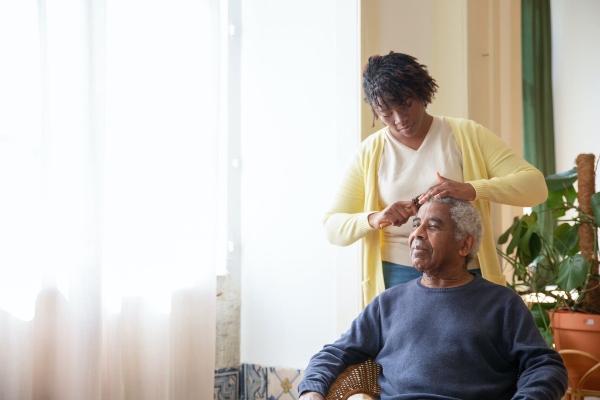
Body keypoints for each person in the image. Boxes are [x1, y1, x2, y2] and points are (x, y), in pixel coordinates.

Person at [324, 51, 548, 305]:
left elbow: (535, 186)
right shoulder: (370, 152)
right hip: (398, 273)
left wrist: (471, 189)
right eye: (386, 113)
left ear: (422, 92)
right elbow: (333, 227)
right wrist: (375, 218)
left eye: (406, 104)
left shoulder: (466, 134)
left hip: (464, 271)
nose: (399, 120)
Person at [301, 197, 568, 400]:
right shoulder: (388, 303)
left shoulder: (501, 303)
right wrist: (311, 390)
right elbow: (335, 353)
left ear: (464, 245)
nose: (417, 234)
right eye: (416, 225)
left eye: (433, 226)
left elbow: (545, 365)